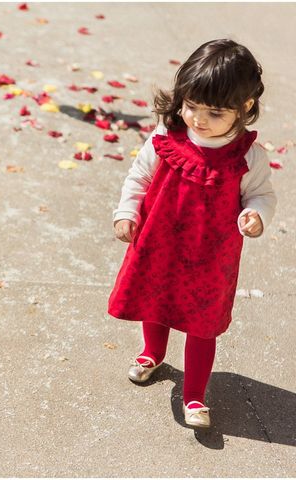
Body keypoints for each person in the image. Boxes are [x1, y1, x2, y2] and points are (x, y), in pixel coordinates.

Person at [108, 39, 277, 428]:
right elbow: (139, 178)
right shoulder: (165, 138)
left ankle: (196, 396)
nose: (198, 120)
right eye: (190, 106)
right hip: (159, 244)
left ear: (245, 107)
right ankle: (152, 352)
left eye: (214, 113)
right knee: (155, 298)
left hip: (211, 257)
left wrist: (255, 215)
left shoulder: (248, 156)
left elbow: (261, 195)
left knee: (203, 322)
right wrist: (125, 212)